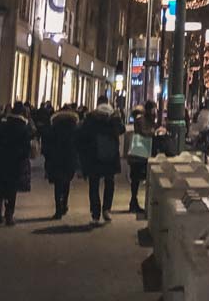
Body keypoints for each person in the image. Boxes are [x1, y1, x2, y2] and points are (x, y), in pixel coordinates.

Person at [77, 95, 124, 224]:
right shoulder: (114, 116)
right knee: (110, 182)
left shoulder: (91, 116)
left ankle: (95, 214)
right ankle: (107, 209)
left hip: (94, 154)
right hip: (111, 154)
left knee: (94, 184)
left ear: (97, 104)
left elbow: (83, 135)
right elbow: (121, 130)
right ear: (108, 103)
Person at [0, 103, 32, 225]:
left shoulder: (3, 124)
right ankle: (9, 214)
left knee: (1, 187)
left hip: (2, 159)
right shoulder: (24, 127)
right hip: (16, 161)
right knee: (12, 189)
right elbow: (26, 147)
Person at [43, 103, 81, 219]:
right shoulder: (74, 126)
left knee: (58, 183)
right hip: (70, 156)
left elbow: (47, 140)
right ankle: (64, 203)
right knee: (66, 181)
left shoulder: (54, 125)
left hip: (57, 156)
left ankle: (58, 208)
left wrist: (47, 155)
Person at [125, 101, 156, 213]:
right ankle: (133, 202)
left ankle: (134, 202)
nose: (154, 111)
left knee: (136, 179)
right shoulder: (142, 119)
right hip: (140, 152)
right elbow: (143, 132)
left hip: (141, 152)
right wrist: (152, 132)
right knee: (136, 178)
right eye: (153, 109)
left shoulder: (145, 119)